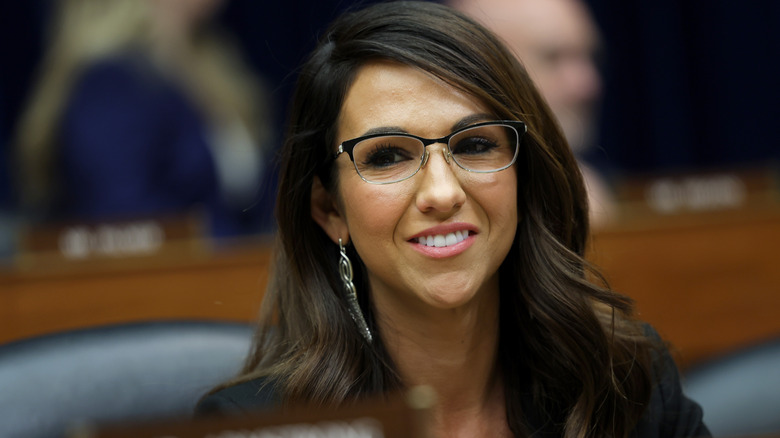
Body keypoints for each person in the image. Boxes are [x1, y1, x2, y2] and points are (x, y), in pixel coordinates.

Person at [197, 2, 709, 437]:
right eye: (387, 156)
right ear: (331, 210)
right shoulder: (260, 426)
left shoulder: (625, 382)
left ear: (522, 178)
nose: (441, 193)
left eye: (476, 144)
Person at [13, 0, 274, 237]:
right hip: (174, 281)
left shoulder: (211, 61)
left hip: (238, 273)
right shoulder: (110, 82)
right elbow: (127, 219)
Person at [450, 0, 616, 227]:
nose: (588, 85)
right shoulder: (443, 198)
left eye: (588, 57)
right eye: (553, 57)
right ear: (477, 63)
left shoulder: (586, 190)